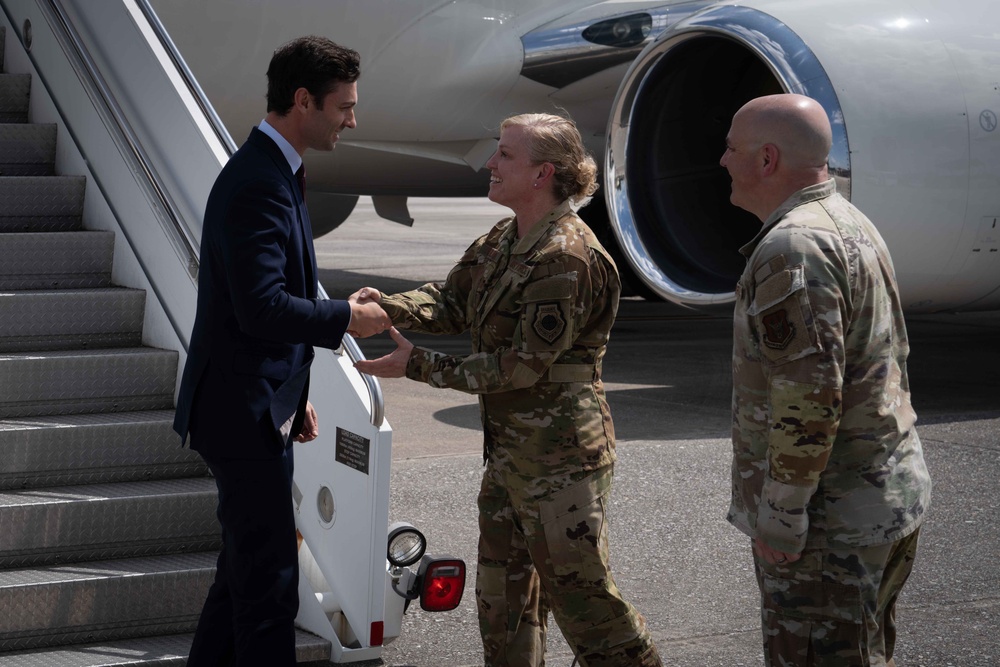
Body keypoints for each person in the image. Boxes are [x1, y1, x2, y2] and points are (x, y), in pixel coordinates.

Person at [352, 113, 661, 667]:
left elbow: (522, 367)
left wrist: (417, 365)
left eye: (505, 155)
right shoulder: (505, 238)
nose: (490, 163)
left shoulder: (564, 256)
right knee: (504, 604)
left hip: (560, 460)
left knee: (585, 603)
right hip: (512, 456)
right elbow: (451, 301)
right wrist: (384, 311)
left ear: (544, 173)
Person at [172, 36, 391, 666]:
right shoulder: (260, 183)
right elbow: (261, 308)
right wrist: (348, 316)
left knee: (242, 572)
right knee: (269, 587)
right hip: (238, 414)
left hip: (257, 405)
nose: (353, 119)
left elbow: (260, 309)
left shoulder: (275, 170)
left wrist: (292, 395)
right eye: (343, 106)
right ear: (303, 101)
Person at [721, 93, 932, 666]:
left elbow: (808, 397)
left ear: (767, 160)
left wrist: (783, 513)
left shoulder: (794, 246)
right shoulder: (847, 221)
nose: (722, 161)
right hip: (876, 497)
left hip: (829, 522)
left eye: (731, 148)